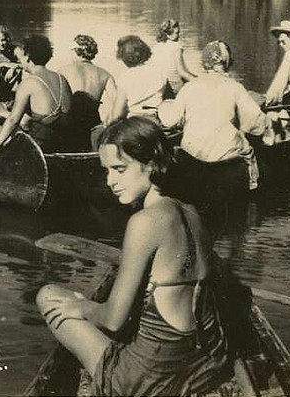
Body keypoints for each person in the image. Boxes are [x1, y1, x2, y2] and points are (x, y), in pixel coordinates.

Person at [35, 117, 229, 397]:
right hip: (203, 364)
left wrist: (83, 307)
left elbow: (113, 319)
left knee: (48, 294)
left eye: (120, 169)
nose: (110, 181)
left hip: (149, 377)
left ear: (151, 163)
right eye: (107, 171)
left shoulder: (145, 222)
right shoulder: (192, 213)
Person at [157, 40, 277, 237]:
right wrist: (269, 123)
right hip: (225, 159)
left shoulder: (189, 87)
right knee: (249, 151)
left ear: (204, 64)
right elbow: (254, 123)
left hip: (192, 157)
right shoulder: (235, 87)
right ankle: (250, 202)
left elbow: (171, 120)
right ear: (227, 63)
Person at [0, 35, 72, 155]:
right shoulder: (61, 77)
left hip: (42, 144)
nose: (19, 61)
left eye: (21, 57)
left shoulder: (29, 82)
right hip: (63, 140)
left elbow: (13, 120)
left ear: (27, 58)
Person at [59, 35, 118, 151]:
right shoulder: (105, 74)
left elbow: (57, 98)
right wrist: (108, 122)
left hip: (70, 124)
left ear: (76, 51)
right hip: (93, 123)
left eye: (71, 50)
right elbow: (117, 103)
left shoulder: (64, 70)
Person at [108, 35, 166, 123]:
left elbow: (118, 114)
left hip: (134, 122)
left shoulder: (125, 77)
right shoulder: (159, 72)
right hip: (155, 120)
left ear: (124, 57)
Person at [149, 19, 197, 97]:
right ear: (167, 34)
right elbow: (182, 72)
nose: (179, 35)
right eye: (177, 33)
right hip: (175, 87)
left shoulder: (155, 48)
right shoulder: (176, 46)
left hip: (159, 86)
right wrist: (199, 81)